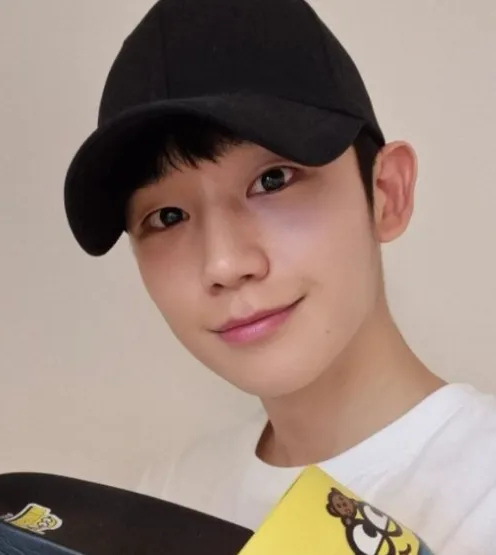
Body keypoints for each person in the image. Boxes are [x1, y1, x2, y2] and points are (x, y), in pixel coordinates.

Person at [63, 0, 496, 552]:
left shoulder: (482, 493)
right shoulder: (164, 502)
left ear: (387, 192)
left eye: (273, 181)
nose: (223, 264)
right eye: (167, 216)